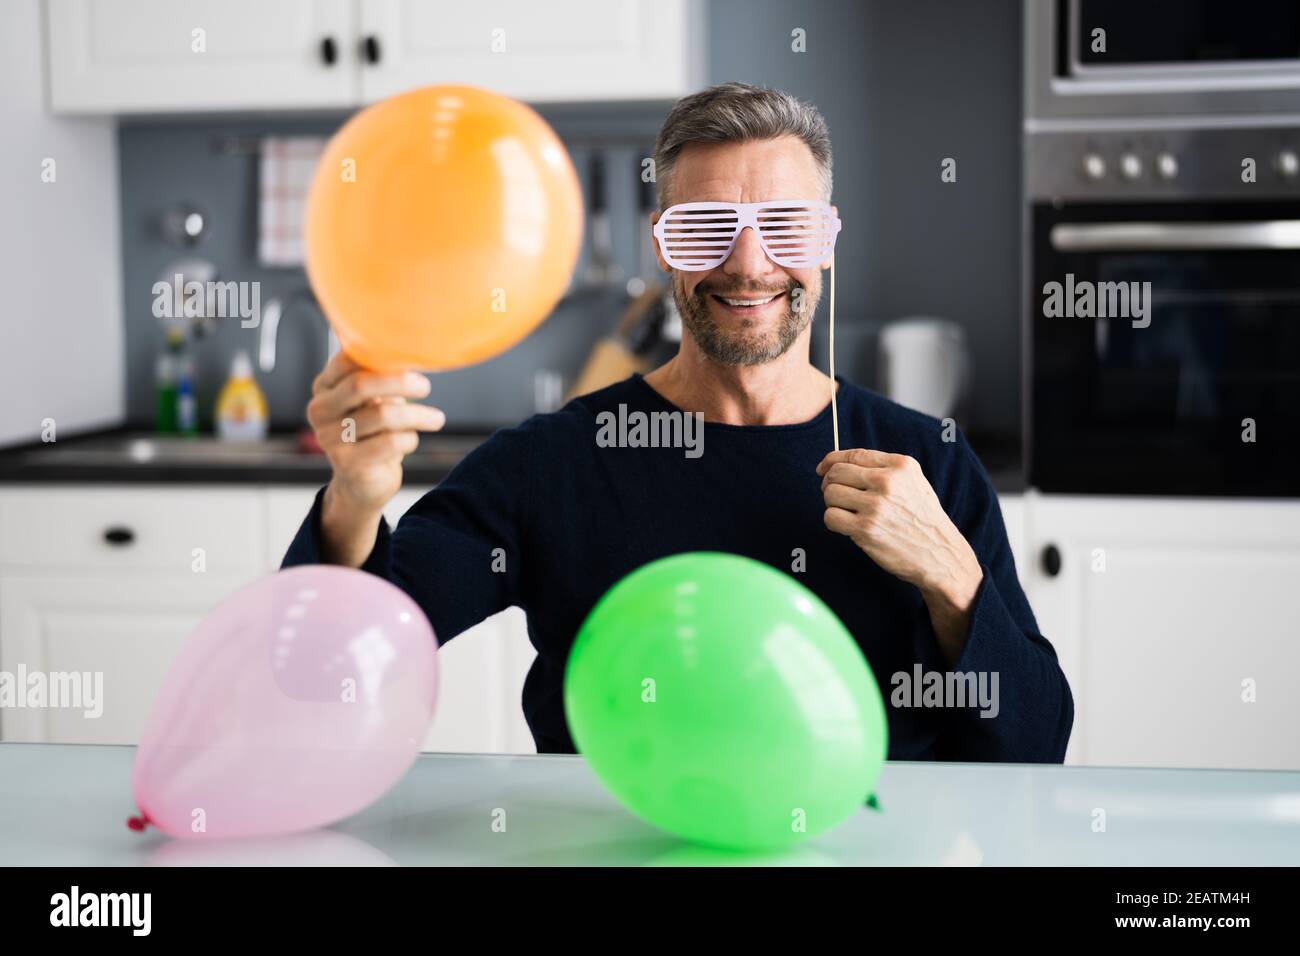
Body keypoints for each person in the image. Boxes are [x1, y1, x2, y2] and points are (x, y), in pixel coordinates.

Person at [283, 81, 1073, 761]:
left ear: (827, 242)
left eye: (786, 225)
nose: (749, 263)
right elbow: (326, 680)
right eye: (705, 228)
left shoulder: (926, 461)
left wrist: (954, 580)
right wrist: (353, 497)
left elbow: (1037, 746)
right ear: (663, 247)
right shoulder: (551, 464)